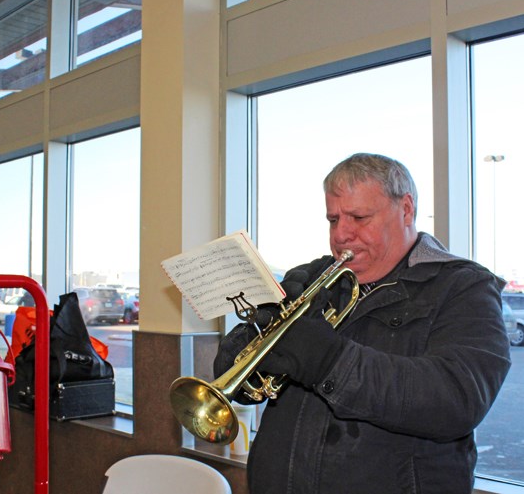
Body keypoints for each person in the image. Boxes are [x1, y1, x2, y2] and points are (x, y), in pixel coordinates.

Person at [214, 153, 511, 494]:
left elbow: (457, 399)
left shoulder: (464, 286)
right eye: (333, 219)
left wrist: (329, 361)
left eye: (359, 217)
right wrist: (253, 331)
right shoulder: (312, 275)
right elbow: (236, 381)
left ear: (406, 210)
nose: (341, 234)